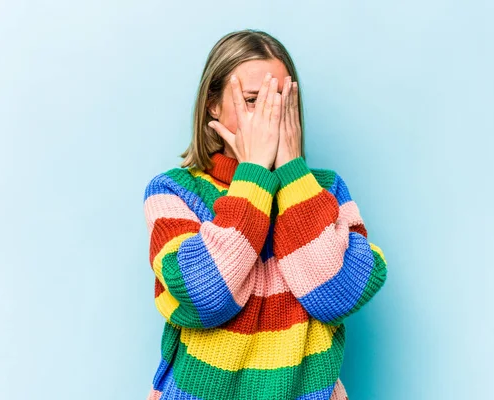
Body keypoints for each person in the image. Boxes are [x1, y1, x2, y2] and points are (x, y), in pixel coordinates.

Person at [143, 29, 388, 400]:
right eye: (253, 100)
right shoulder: (174, 191)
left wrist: (291, 170)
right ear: (213, 105)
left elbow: (337, 295)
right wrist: (254, 171)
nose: (270, 117)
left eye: (281, 100)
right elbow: (203, 296)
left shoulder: (326, 190)